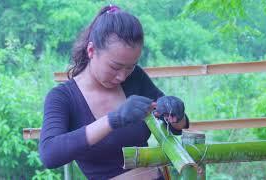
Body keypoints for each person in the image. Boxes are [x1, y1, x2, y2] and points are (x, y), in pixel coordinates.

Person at [39, 4, 189, 180]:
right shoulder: (63, 97)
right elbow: (49, 154)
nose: (122, 77)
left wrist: (178, 115)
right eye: (115, 67)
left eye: (130, 68)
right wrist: (113, 120)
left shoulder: (136, 78)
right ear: (91, 50)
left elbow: (176, 126)